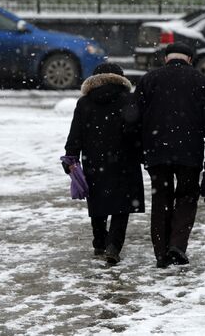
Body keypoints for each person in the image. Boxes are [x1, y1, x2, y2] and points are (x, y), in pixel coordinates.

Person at [135, 42, 205, 268]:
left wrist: (139, 150)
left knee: (161, 198)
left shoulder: (148, 80)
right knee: (186, 197)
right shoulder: (201, 81)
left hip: (156, 152)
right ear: (190, 60)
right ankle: (177, 245)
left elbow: (134, 119)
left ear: (166, 59)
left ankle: (161, 253)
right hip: (189, 152)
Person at [63, 63, 144, 265]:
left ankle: (99, 241)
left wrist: (71, 157)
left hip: (94, 160)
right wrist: (142, 153)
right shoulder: (129, 99)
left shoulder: (84, 103)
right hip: (124, 160)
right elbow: (135, 132)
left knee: (98, 201)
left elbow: (76, 134)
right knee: (122, 205)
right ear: (121, 79)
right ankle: (113, 246)